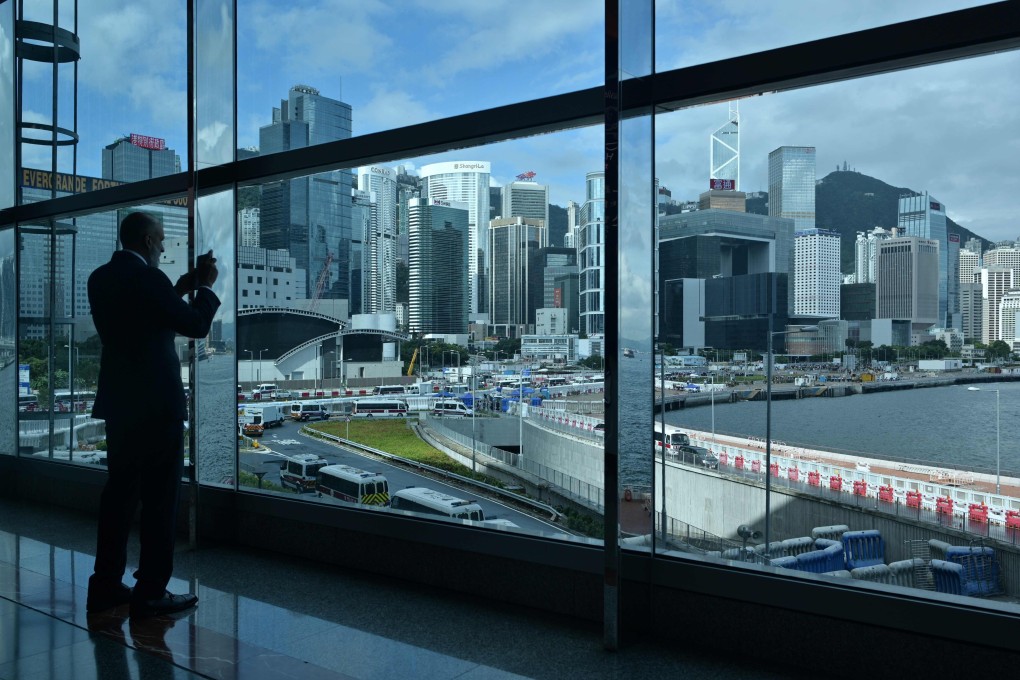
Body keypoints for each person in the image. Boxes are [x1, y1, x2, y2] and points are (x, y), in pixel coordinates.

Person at [85, 211, 220, 618]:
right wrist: (207, 289)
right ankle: (151, 591)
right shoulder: (149, 280)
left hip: (120, 405)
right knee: (160, 500)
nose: (163, 247)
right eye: (160, 240)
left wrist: (181, 286)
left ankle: (106, 585)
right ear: (146, 241)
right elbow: (194, 325)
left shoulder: (100, 278)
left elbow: (146, 315)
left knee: (119, 497)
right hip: (158, 407)